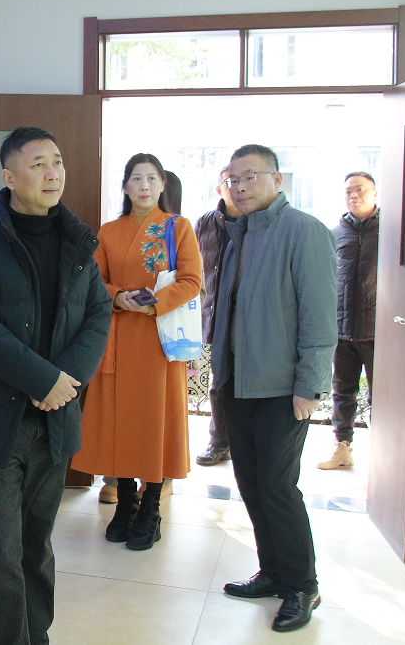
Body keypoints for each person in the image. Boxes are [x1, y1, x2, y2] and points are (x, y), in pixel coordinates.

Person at [0, 127, 111, 645]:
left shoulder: (76, 239)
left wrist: (64, 383)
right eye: (38, 164)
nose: (53, 173)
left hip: (53, 423)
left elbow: (98, 314)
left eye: (57, 161)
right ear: (9, 177)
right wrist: (42, 379)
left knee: (36, 548)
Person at [211, 144, 336, 632]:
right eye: (233, 179)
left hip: (282, 389)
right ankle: (273, 572)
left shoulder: (304, 231)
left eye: (251, 177)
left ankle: (303, 584)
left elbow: (320, 317)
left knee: (277, 488)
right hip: (237, 383)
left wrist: (310, 385)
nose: (240, 187)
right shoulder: (238, 233)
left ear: (277, 180)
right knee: (250, 484)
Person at [72, 153, 203, 551]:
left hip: (159, 340)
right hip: (117, 336)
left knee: (155, 421)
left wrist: (153, 304)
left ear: (162, 184)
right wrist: (117, 297)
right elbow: (92, 280)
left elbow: (192, 280)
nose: (144, 185)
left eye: (151, 178)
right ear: (125, 186)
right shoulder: (109, 231)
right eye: (135, 178)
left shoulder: (178, 227)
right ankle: (125, 500)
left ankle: (151, 507)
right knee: (120, 421)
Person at [318, 172, 379, 470]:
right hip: (341, 330)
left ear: (375, 193)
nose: (354, 195)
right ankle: (342, 449)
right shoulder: (334, 234)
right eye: (348, 191)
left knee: (383, 395)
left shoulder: (391, 232)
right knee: (343, 393)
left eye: (360, 190)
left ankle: (384, 455)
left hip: (378, 331)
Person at [194, 168, 242, 466]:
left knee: (243, 384)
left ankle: (242, 445)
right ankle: (219, 442)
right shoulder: (205, 223)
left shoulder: (255, 223)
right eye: (230, 181)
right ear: (219, 188)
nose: (237, 187)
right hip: (211, 313)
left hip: (244, 318)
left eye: (243, 180)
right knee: (218, 383)